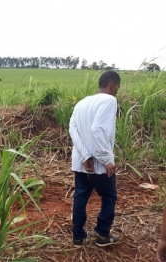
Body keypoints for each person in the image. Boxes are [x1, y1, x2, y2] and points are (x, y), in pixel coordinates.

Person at [69, 70, 121, 247]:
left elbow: (73, 129)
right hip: (99, 163)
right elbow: (97, 129)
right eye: (117, 88)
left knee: (81, 196)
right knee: (109, 196)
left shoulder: (82, 102)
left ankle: (78, 237)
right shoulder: (109, 100)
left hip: (82, 162)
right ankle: (102, 235)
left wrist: (85, 156)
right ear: (113, 85)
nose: (116, 92)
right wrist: (105, 159)